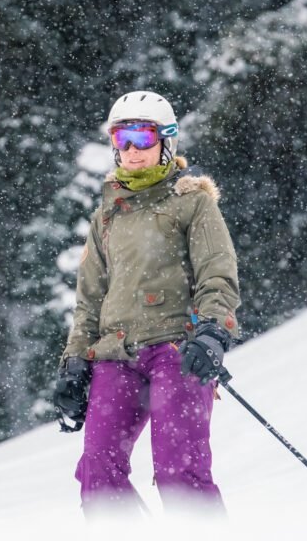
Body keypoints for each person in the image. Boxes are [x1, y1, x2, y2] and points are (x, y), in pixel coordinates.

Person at [53, 90, 241, 517]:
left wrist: (212, 331)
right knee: (98, 472)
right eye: (122, 138)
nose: (132, 150)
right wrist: (75, 360)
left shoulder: (191, 203)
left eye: (143, 137)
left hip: (177, 351)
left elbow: (218, 273)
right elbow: (90, 298)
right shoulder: (108, 212)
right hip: (115, 355)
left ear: (166, 142)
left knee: (179, 473)